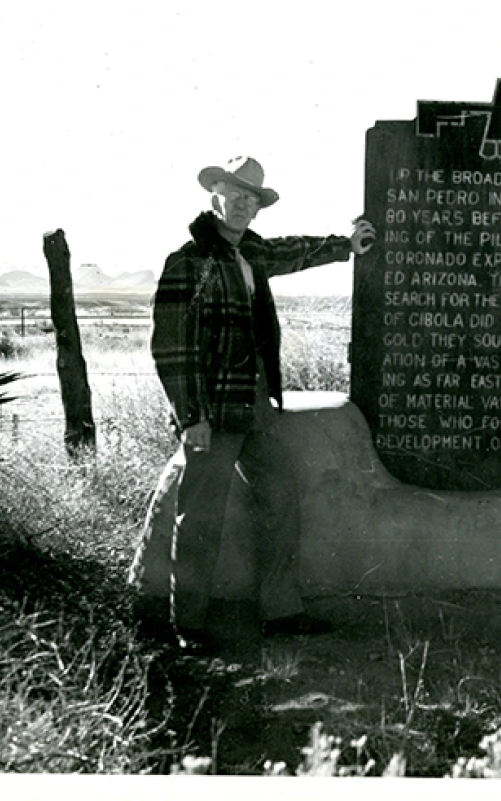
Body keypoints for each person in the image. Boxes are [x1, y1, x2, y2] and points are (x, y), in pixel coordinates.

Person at [129, 155, 376, 649]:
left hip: (255, 408)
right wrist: (190, 416)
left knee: (281, 499)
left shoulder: (251, 253)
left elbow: (292, 252)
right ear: (215, 195)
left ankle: (281, 612)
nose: (243, 205)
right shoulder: (189, 260)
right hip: (212, 413)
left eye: (252, 199)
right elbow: (170, 346)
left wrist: (345, 246)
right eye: (234, 194)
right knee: (200, 517)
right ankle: (188, 625)